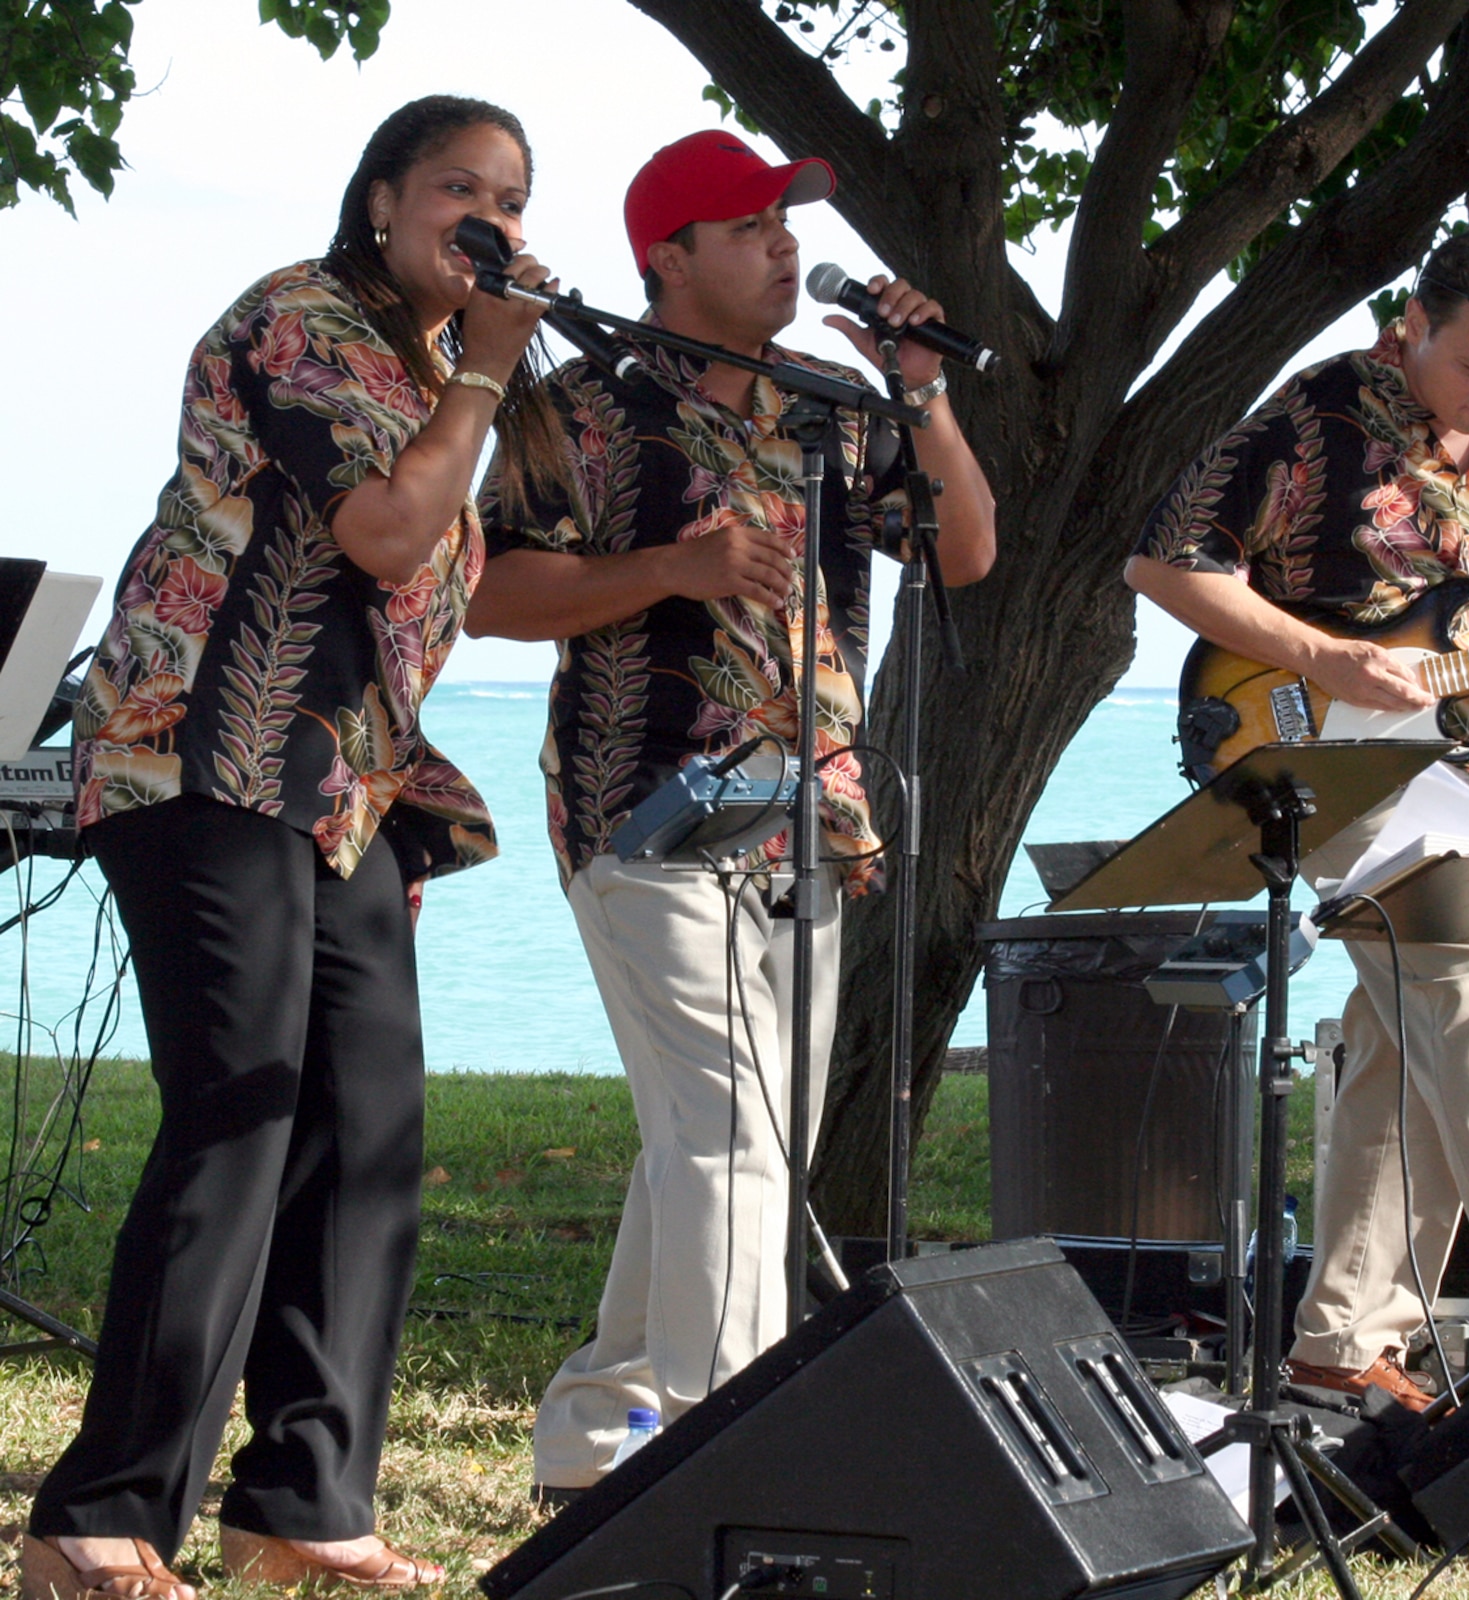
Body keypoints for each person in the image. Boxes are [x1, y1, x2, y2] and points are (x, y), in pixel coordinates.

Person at [25, 95, 561, 1600]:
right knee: (239, 1118)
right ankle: (96, 1518)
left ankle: (302, 1505)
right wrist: (493, 374)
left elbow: (484, 567)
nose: (490, 216)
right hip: (204, 752)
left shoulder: (446, 370)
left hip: (344, 793)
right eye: (460, 185)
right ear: (384, 198)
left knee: (367, 1128)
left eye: (513, 197)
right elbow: (388, 534)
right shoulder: (300, 318)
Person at [468, 129, 995, 1496]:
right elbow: (493, 593)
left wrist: (922, 393)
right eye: (753, 224)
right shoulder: (575, 407)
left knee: (733, 1135)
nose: (784, 244)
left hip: (811, 815)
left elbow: (970, 548)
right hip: (644, 807)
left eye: (786, 221)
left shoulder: (830, 398)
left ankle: (594, 1439)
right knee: (730, 1135)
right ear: (671, 259)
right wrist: (672, 568)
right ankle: (730, 1460)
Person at [1126, 225, 1469, 1412]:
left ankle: (1338, 1339)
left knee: (1409, 1030)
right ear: (1410, 323)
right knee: (1456, 966)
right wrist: (1327, 657)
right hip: (1296, 749)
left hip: (1462, 773)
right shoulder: (1314, 417)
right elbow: (1163, 563)